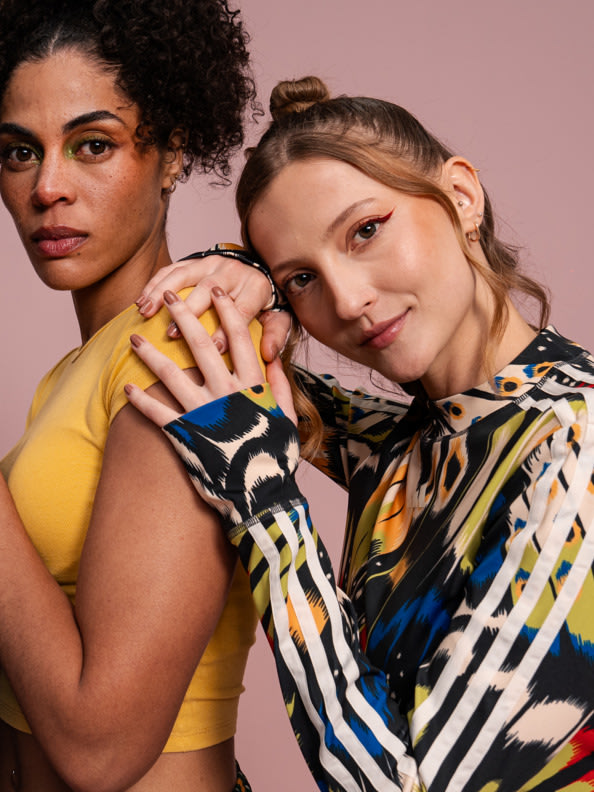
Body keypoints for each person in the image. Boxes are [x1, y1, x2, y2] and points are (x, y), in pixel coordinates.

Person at [128, 76, 594, 791]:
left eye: (366, 231)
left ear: (462, 198)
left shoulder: (574, 448)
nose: (348, 300)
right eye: (304, 279)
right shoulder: (427, 436)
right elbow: (261, 398)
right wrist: (247, 272)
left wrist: (269, 513)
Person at [0, 1, 262, 790]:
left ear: (173, 152)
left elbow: (101, 748)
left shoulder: (179, 354)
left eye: (93, 146)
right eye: (18, 152)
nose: (48, 187)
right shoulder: (81, 367)